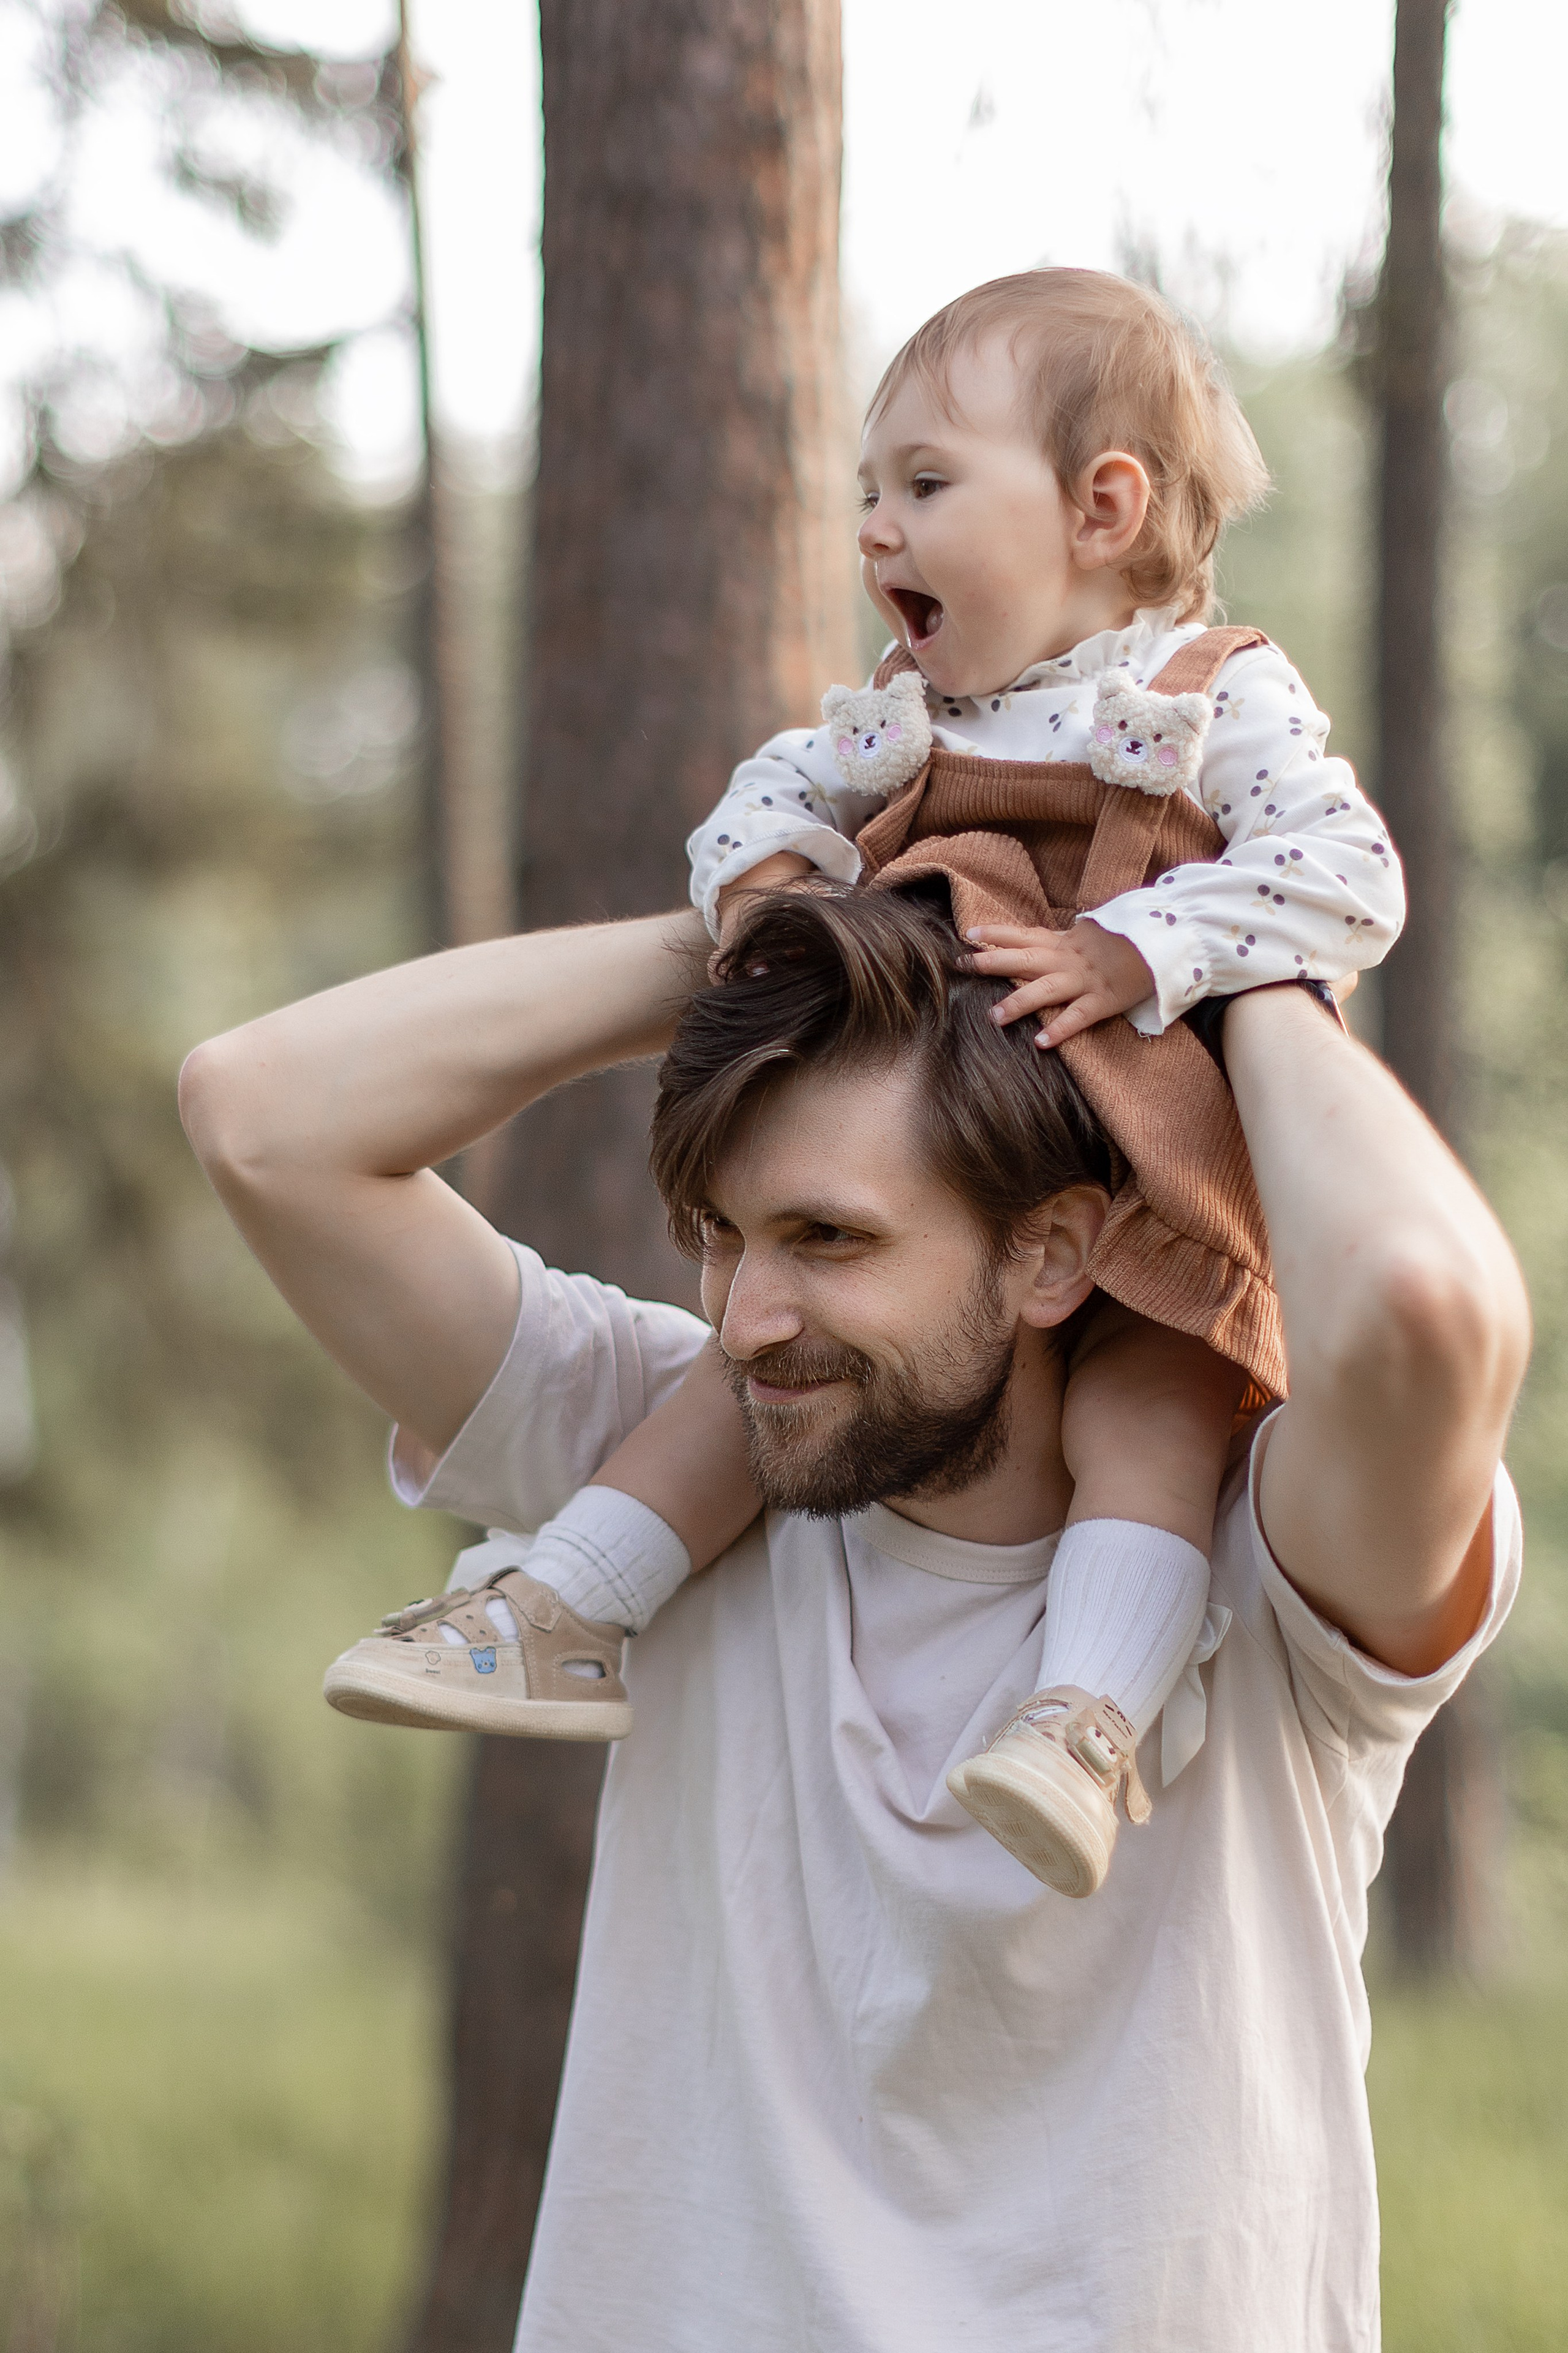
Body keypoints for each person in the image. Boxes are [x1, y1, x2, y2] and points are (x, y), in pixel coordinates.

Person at [179, 883, 1526, 2350]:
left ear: (1050, 1251)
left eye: (827, 1238)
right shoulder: (665, 1461)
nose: (746, 1317)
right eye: (719, 1234)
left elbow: (1422, 1305)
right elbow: (258, 1112)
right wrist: (781, 919)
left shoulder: (1267, 1572)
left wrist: (1230, 957)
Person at [322, 268, 1407, 1903]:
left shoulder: (1210, 699)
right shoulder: (911, 722)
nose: (874, 534)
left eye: (923, 485)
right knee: (729, 1389)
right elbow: (764, 790)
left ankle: (1088, 1720)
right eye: (864, 496)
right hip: (945, 1160)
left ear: (1104, 506)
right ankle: (567, 1608)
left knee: (1151, 1427)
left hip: (1156, 1192)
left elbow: (1351, 875)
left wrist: (1141, 954)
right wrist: (760, 889)